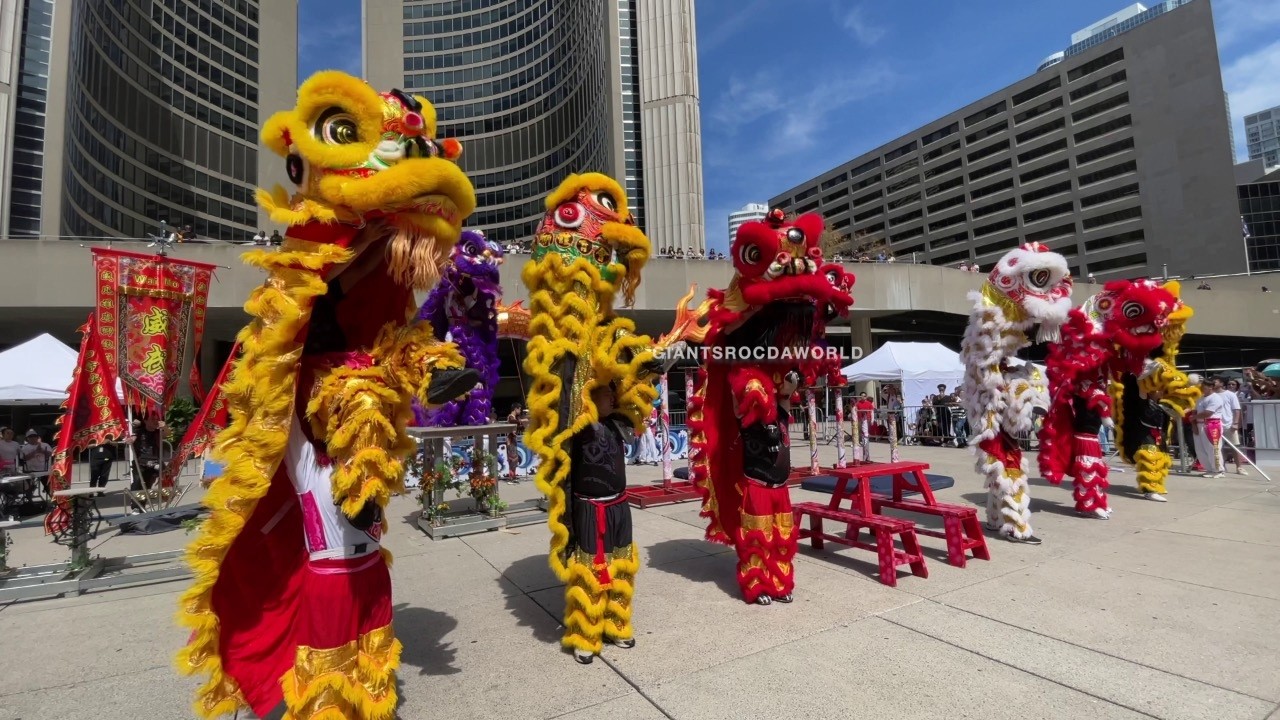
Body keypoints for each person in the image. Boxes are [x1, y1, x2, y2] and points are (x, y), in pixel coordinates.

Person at [564, 383, 639, 663]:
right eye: (605, 391)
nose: (612, 395)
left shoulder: (618, 423)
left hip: (620, 506)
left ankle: (616, 624)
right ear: (588, 395)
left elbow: (638, 392)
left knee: (621, 567)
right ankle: (586, 634)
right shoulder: (577, 427)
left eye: (612, 390)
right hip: (589, 509)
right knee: (590, 571)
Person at [736, 370, 799, 605]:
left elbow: (790, 388)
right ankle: (756, 585)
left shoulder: (781, 414)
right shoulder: (745, 419)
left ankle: (780, 583)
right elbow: (738, 393)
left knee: (782, 538)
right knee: (757, 540)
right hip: (757, 488)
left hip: (781, 489)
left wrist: (791, 376)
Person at [126, 411, 165, 513]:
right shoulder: (139, 432)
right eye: (153, 419)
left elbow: (167, 433)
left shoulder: (159, 432)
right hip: (141, 463)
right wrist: (130, 440)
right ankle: (136, 507)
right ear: (146, 420)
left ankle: (142, 507)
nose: (155, 421)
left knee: (147, 486)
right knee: (138, 483)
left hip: (155, 462)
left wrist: (165, 427)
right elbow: (132, 438)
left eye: (157, 419)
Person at [1192, 377, 1225, 478]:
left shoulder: (1216, 398)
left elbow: (1208, 413)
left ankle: (1219, 470)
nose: (1202, 388)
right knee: (1200, 449)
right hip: (1199, 424)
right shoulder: (1200, 398)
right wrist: (1194, 424)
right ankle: (1210, 469)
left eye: (1204, 386)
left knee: (1213, 448)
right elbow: (1195, 411)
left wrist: (1194, 417)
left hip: (1212, 424)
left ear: (1211, 387)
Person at [1215, 377, 1245, 475]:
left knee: (1235, 447)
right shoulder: (1211, 395)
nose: (1213, 384)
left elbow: (1237, 409)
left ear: (1221, 383)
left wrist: (1235, 423)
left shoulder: (1230, 395)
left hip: (1228, 424)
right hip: (1216, 425)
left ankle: (1239, 467)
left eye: (1215, 382)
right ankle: (1222, 466)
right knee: (1218, 447)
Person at [505, 402, 526, 481]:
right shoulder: (511, 417)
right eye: (519, 409)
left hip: (513, 440)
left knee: (515, 458)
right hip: (510, 440)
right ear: (515, 409)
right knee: (512, 458)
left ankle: (513, 475)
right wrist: (522, 420)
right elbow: (513, 421)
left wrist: (524, 425)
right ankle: (511, 477)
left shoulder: (516, 418)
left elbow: (520, 428)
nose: (520, 411)